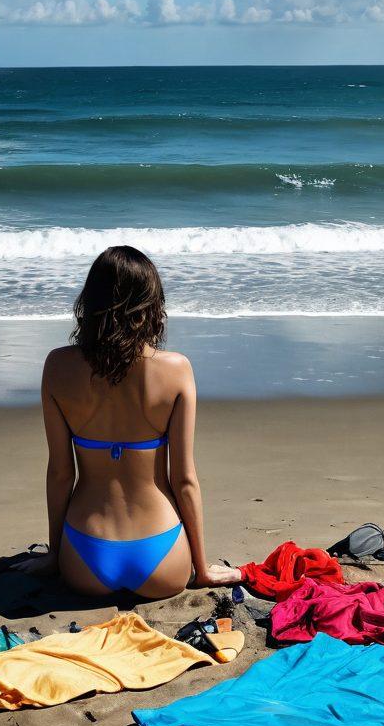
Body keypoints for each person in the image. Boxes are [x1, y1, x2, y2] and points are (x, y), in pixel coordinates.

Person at [13, 246, 235, 597]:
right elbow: (184, 479)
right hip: (162, 559)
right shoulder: (176, 370)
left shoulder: (57, 367)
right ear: (151, 304)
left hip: (85, 557)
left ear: (90, 302)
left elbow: (60, 473)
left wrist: (56, 555)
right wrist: (203, 568)